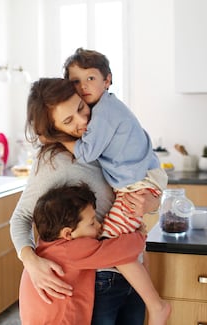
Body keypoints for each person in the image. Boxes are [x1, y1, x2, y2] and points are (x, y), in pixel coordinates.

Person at [10, 78, 163, 324]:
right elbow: (21, 218)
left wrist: (152, 204)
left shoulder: (109, 140)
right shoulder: (53, 162)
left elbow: (144, 190)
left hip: (133, 271)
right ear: (53, 129)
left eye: (81, 107)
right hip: (98, 281)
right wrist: (31, 261)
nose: (83, 121)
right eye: (68, 121)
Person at [62, 47, 169, 238]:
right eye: (75, 81)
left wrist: (58, 138)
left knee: (111, 238)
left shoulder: (104, 112)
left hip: (137, 185)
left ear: (107, 80)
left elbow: (86, 153)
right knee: (127, 238)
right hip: (137, 180)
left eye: (91, 78)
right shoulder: (107, 107)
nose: (83, 86)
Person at [19, 182, 147, 324]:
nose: (99, 226)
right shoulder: (71, 250)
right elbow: (119, 250)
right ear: (67, 233)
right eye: (92, 223)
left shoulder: (44, 245)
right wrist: (140, 235)